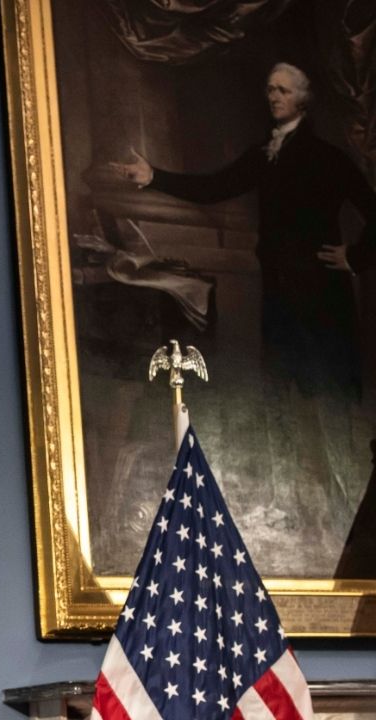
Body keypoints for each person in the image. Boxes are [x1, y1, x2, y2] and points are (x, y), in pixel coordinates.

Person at [110, 61, 376, 561]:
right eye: (269, 89)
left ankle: (347, 510)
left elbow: (373, 207)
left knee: (331, 402)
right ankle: (284, 501)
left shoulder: (327, 156)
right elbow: (215, 186)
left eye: (282, 90)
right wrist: (153, 177)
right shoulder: (264, 153)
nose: (272, 96)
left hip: (322, 301)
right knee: (279, 399)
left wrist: (356, 258)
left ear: (303, 98)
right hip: (280, 300)